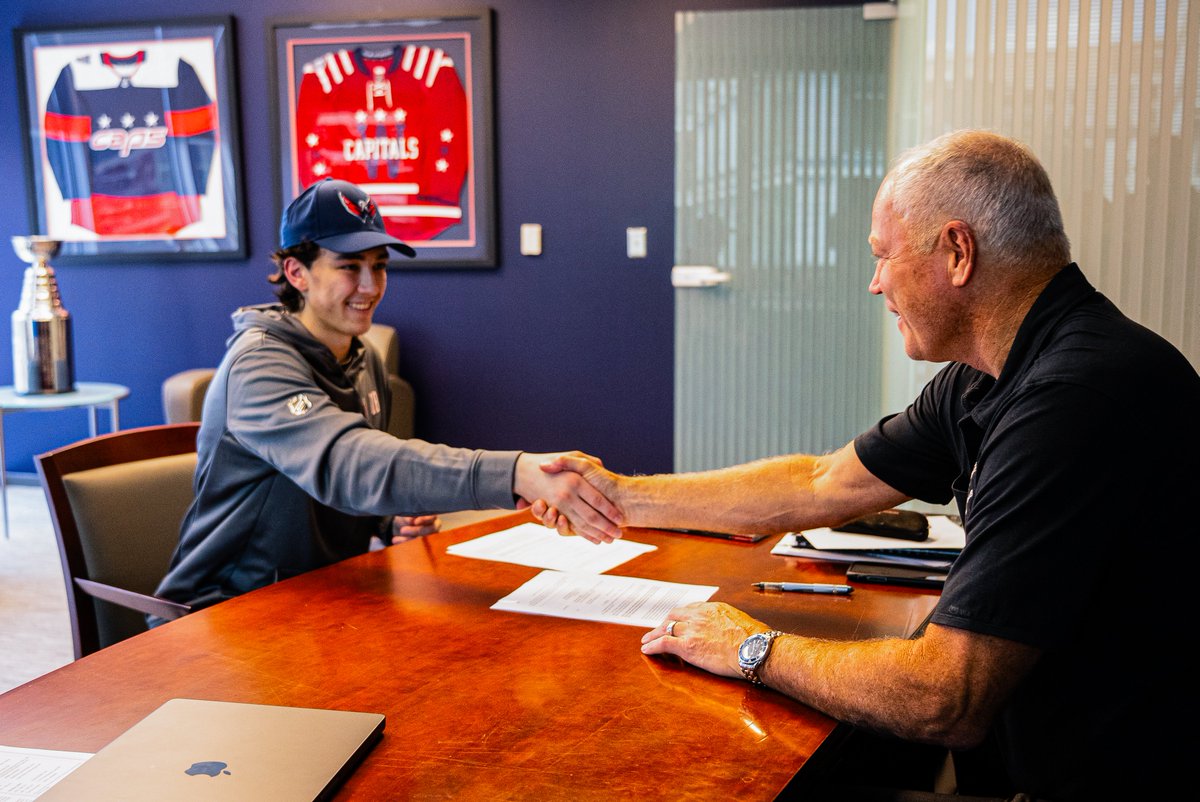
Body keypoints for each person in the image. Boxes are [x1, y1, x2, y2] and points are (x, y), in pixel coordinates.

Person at [534, 131, 1198, 800]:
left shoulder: (1073, 399)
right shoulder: (990, 372)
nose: (874, 282)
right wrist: (619, 496)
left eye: (883, 256)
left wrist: (751, 649)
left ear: (957, 252)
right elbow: (822, 481)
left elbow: (945, 695)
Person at [154, 178, 621, 618]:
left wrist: (387, 523)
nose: (370, 287)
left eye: (379, 266)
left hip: (327, 596)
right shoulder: (258, 366)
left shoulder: (364, 359)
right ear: (296, 272)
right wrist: (516, 472)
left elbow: (362, 484)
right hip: (228, 611)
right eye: (348, 267)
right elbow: (349, 464)